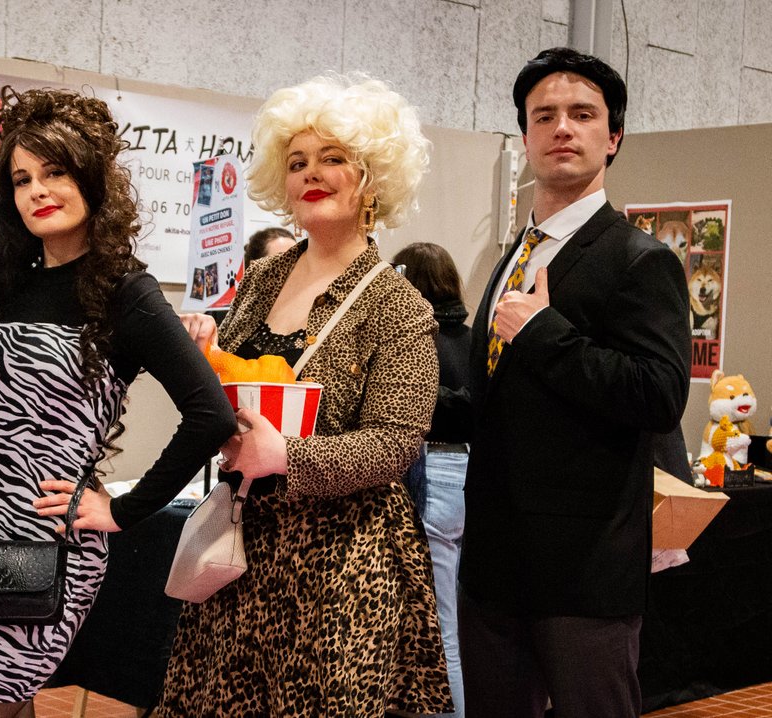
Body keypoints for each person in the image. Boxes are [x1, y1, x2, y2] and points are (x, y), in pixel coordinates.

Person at [0, 87, 236, 718]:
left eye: (54, 171)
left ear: (90, 178)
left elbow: (210, 415)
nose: (37, 191)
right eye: (22, 178)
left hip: (48, 552)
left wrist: (123, 511)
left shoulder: (126, 293)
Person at [158, 74, 451, 716]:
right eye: (296, 162)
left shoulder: (397, 304)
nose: (311, 173)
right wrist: (201, 357)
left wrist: (288, 457)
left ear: (371, 178)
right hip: (240, 549)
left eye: (333, 157)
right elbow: (231, 386)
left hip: (341, 567)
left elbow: (397, 442)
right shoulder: (261, 278)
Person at [459, 47, 691, 718]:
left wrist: (544, 334)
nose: (562, 127)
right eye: (545, 116)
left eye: (583, 114)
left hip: (584, 575)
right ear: (525, 137)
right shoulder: (514, 255)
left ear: (613, 137)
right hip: (493, 568)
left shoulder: (640, 259)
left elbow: (658, 394)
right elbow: (497, 401)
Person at [392, 241, 473, 718]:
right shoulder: (475, 340)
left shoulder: (415, 344)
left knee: (439, 632)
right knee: (454, 623)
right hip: (469, 474)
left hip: (431, 474)